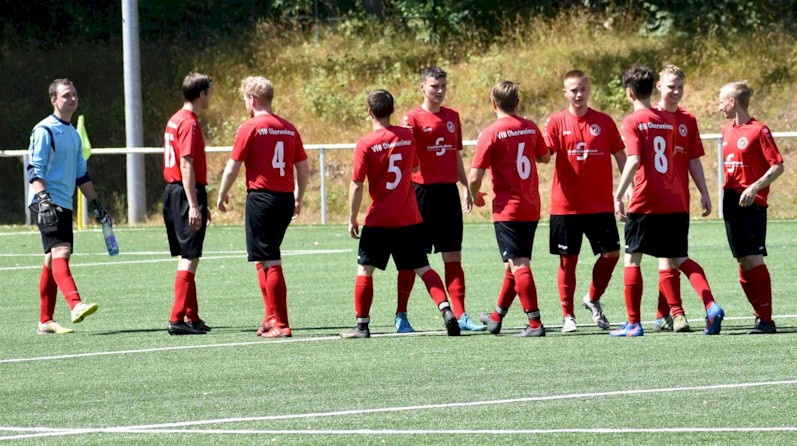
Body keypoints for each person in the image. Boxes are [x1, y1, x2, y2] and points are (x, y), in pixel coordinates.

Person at [344, 89, 460, 339]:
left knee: (365, 269)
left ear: (369, 112)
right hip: (409, 217)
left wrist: (352, 217)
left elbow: (357, 183)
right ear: (392, 110)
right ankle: (446, 309)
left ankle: (362, 326)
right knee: (423, 268)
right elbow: (416, 165)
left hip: (379, 219)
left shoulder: (366, 143)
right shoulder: (407, 136)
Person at [217, 76, 309, 338]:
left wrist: (222, 193)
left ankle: (281, 324)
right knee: (263, 259)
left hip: (262, 199)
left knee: (271, 260)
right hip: (284, 198)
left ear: (252, 99)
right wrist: (298, 197)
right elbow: (303, 168)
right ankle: (270, 316)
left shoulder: (250, 127)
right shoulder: (289, 128)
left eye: (246, 99)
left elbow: (234, 165)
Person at [395, 66, 483, 333]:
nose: (440, 91)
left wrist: (466, 185)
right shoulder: (411, 118)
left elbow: (456, 153)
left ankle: (461, 315)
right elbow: (403, 153)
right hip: (420, 194)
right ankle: (401, 315)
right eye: (435, 86)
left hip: (447, 194)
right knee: (413, 257)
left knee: (453, 255)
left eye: (443, 85)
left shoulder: (452, 116)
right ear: (422, 87)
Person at [611, 65, 696, 338]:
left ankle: (633, 323)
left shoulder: (632, 120)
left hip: (645, 198)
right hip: (671, 197)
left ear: (629, 92)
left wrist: (618, 193)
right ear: (653, 88)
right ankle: (675, 312)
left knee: (632, 259)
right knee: (673, 258)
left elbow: (634, 160)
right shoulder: (668, 119)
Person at [543, 70, 626, 333]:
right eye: (573, 90)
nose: (578, 95)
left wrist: (628, 190)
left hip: (600, 204)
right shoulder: (556, 121)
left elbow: (622, 157)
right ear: (565, 93)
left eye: (582, 89)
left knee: (612, 253)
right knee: (568, 261)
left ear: (589, 90)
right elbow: (544, 155)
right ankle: (568, 315)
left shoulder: (604, 121)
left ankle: (592, 297)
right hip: (565, 205)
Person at [470, 80, 551, 337]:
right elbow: (545, 156)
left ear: (493, 103)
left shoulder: (490, 132)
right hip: (531, 205)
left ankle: (535, 324)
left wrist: (474, 195)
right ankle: (495, 318)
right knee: (513, 265)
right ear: (517, 103)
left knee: (518, 264)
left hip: (508, 209)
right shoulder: (529, 126)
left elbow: (474, 177)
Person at [27, 78, 103, 334]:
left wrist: (96, 203)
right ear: (54, 100)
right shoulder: (44, 130)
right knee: (61, 251)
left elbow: (81, 174)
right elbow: (34, 169)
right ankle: (75, 304)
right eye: (66, 95)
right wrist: (44, 199)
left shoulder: (72, 134)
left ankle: (45, 321)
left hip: (63, 202)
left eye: (74, 94)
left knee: (51, 259)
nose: (72, 99)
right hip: (46, 201)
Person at [653, 65, 725, 334]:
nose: (676, 91)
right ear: (659, 86)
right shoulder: (649, 116)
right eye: (671, 86)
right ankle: (664, 315)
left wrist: (704, 192)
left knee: (669, 258)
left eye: (680, 87)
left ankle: (681, 313)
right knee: (671, 257)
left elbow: (693, 159)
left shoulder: (688, 119)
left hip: (671, 201)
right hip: (655, 198)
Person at [719, 81, 784, 334]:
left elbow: (777, 166)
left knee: (754, 258)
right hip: (731, 202)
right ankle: (759, 315)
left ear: (732, 102)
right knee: (742, 261)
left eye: (721, 101)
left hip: (752, 203)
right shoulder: (726, 130)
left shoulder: (759, 130)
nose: (718, 106)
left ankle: (767, 319)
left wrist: (754, 187)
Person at [163, 72, 213, 335]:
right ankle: (176, 319)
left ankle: (191, 316)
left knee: (188, 255)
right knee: (190, 257)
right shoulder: (190, 122)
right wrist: (194, 204)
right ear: (201, 93)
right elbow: (186, 163)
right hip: (185, 192)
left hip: (172, 192)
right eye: (209, 92)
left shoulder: (174, 118)